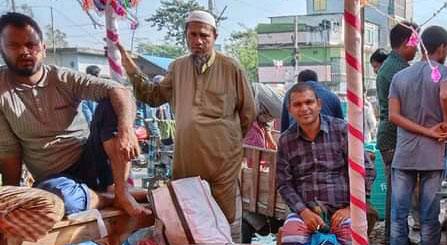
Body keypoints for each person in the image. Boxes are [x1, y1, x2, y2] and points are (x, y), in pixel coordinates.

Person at [119, 10, 256, 229]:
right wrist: (130, 68)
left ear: (215, 36)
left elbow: (248, 111)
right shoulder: (177, 67)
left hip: (222, 160)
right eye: (192, 35)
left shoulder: (231, 67)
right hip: (187, 158)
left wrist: (228, 142)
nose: (198, 41)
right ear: (186, 36)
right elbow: (153, 97)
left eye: (204, 36)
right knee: (188, 216)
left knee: (223, 218)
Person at [0, 12, 147, 217]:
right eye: (14, 46)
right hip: (55, 179)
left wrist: (126, 128)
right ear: (2, 49)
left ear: (43, 48)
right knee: (59, 199)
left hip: (93, 161)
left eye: (31, 44)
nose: (25, 51)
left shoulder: (62, 78)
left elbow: (119, 90)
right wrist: (12, 199)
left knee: (113, 103)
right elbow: (9, 154)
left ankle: (121, 191)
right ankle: (109, 197)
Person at [388, 25, 447, 245]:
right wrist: (445, 124)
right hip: (432, 155)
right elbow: (446, 94)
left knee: (399, 214)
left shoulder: (400, 77)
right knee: (428, 216)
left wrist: (422, 131)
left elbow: (394, 116)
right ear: (442, 48)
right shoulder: (444, 72)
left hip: (404, 154)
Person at [276, 83, 374, 245]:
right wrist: (303, 212)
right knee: (291, 241)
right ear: (289, 110)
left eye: (309, 102)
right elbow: (284, 183)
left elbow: (366, 169)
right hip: (305, 212)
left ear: (319, 104)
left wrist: (351, 207)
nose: (304, 108)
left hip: (342, 210)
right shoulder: (286, 140)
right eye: (297, 105)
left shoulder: (342, 130)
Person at [376, 21, 418, 245]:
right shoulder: (398, 70)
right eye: (415, 41)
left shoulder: (396, 66)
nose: (418, 47)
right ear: (405, 43)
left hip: (394, 137)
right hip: (394, 138)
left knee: (401, 194)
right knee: (398, 196)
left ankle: (398, 240)